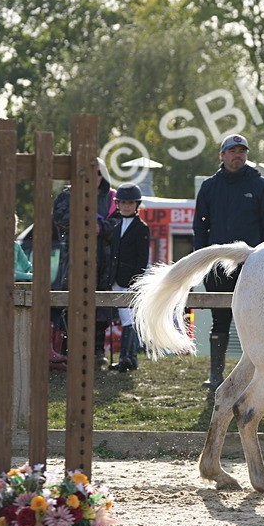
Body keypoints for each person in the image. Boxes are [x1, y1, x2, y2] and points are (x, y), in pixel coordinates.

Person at [193, 133, 264, 388]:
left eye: (242, 151)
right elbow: (200, 229)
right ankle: (215, 375)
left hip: (251, 266)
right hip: (218, 267)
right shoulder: (210, 187)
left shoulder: (259, 185)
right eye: (232, 151)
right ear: (222, 155)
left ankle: (256, 375)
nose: (238, 155)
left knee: (255, 322)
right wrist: (203, 262)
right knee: (219, 320)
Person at [51, 158, 118, 364]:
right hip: (74, 258)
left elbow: (118, 222)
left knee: (100, 305)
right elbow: (60, 219)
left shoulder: (112, 196)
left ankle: (97, 351)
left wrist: (101, 227)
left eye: (98, 173)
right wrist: (84, 221)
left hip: (104, 260)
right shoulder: (67, 195)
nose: (94, 178)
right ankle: (72, 350)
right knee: (73, 303)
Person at [105, 183, 150, 372]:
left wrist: (137, 282)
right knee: (123, 318)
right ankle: (128, 357)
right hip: (112, 278)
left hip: (129, 279)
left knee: (127, 319)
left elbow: (142, 258)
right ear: (118, 203)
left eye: (130, 203)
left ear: (136, 204)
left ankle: (128, 357)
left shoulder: (141, 228)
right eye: (123, 202)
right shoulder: (112, 223)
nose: (126, 206)